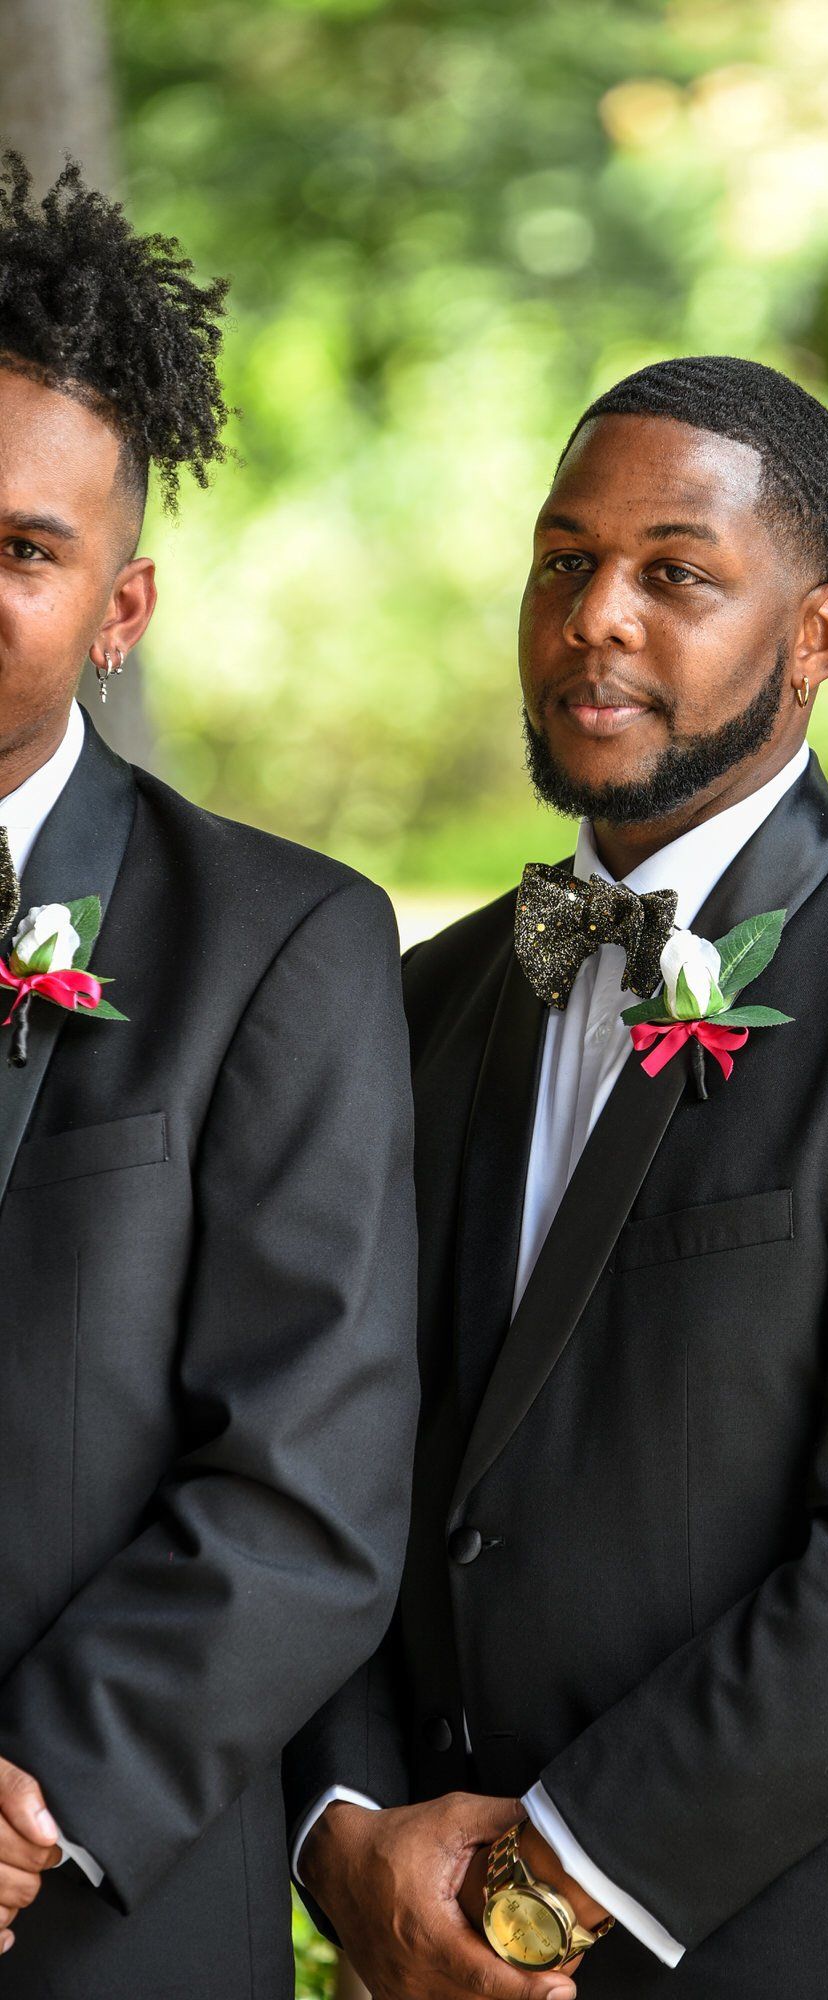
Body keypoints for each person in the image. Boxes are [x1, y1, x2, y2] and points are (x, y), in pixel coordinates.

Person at [286, 354, 828, 2000]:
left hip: (814, 1950)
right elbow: (325, 1453)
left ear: (820, 635)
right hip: (426, 1932)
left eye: (677, 573)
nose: (597, 615)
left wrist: (546, 1883)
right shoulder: (413, 1004)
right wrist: (346, 1829)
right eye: (564, 562)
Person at [0, 154, 419, 1998]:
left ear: (123, 603)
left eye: (22, 550)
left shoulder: (280, 945)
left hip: (94, 1913)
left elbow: (308, 1480)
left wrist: (30, 1800)